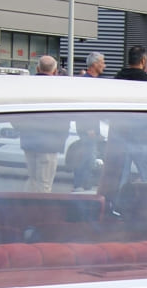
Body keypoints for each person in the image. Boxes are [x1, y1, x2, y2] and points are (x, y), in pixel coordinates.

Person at [18, 55, 67, 192]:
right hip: (49, 144)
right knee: (44, 183)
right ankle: (38, 210)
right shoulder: (59, 90)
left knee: (33, 179)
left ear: (38, 68)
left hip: (29, 141)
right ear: (55, 71)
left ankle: (25, 207)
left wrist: (22, 129)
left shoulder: (27, 88)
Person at [71, 52, 106, 191]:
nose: (104, 65)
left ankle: (83, 184)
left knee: (89, 157)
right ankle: (80, 185)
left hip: (93, 127)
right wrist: (88, 128)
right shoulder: (86, 82)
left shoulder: (95, 81)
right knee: (87, 157)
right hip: (87, 129)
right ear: (95, 64)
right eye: (102, 62)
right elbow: (83, 107)